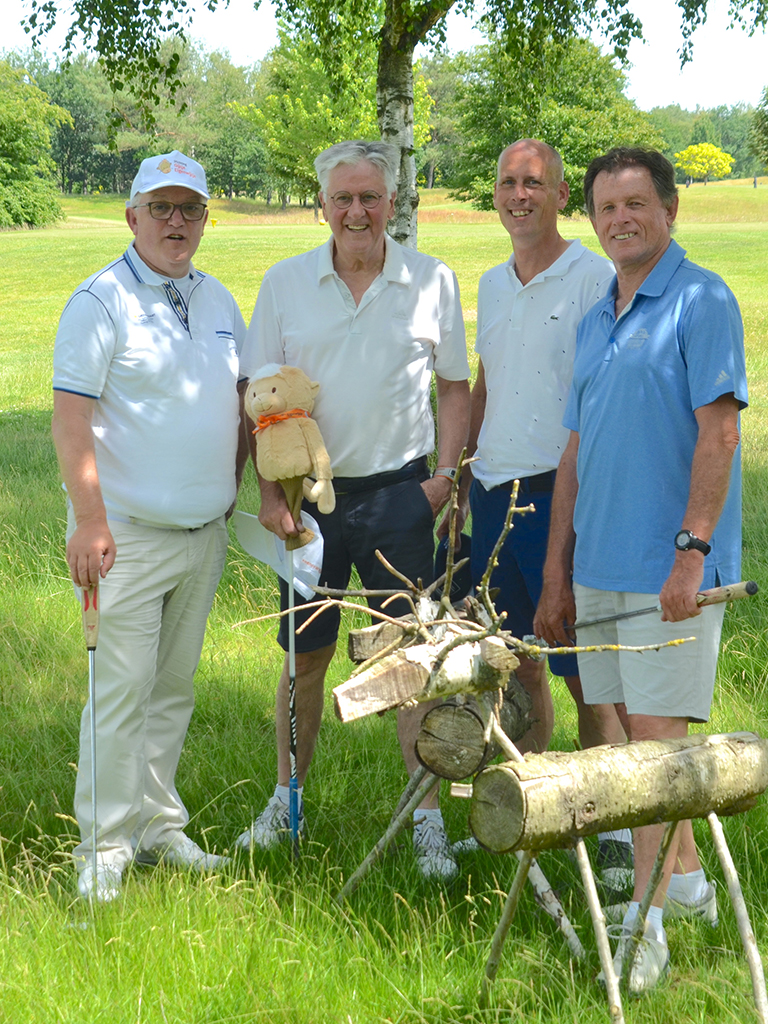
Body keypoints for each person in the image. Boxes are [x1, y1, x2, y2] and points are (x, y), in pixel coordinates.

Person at [534, 147, 747, 994]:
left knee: (654, 756)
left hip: (669, 571)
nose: (620, 218)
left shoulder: (703, 299)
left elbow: (720, 433)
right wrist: (556, 576)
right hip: (597, 567)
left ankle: (644, 928)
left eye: (635, 203)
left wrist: (691, 553)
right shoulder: (597, 317)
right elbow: (574, 457)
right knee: (632, 736)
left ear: (670, 209)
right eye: (606, 207)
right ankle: (687, 883)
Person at [236, 139, 470, 879]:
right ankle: (287, 803)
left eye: (370, 197)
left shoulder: (432, 280)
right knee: (304, 656)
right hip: (310, 506)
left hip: (402, 495)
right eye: (343, 198)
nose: (357, 211)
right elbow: (257, 398)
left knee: (409, 657)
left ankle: (426, 819)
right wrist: (269, 496)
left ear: (392, 203)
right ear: (323, 205)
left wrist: (444, 481)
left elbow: (455, 389)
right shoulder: (285, 283)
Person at [52, 150, 246, 902]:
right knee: (120, 695)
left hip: (203, 536)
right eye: (161, 208)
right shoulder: (100, 300)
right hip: (125, 537)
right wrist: (89, 519)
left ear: (205, 219)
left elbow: (237, 405)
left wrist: (231, 489)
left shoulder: (218, 299)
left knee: (171, 691)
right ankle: (103, 849)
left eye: (190, 209)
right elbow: (71, 420)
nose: (176, 221)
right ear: (132, 216)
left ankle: (159, 827)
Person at [449, 139, 632, 896]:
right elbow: (487, 381)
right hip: (493, 494)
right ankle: (528, 806)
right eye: (506, 182)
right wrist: (461, 476)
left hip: (561, 496)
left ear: (560, 195)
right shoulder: (493, 282)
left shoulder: (593, 278)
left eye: (534, 182)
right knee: (517, 665)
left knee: (587, 671)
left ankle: (614, 828)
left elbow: (602, 402)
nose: (518, 195)